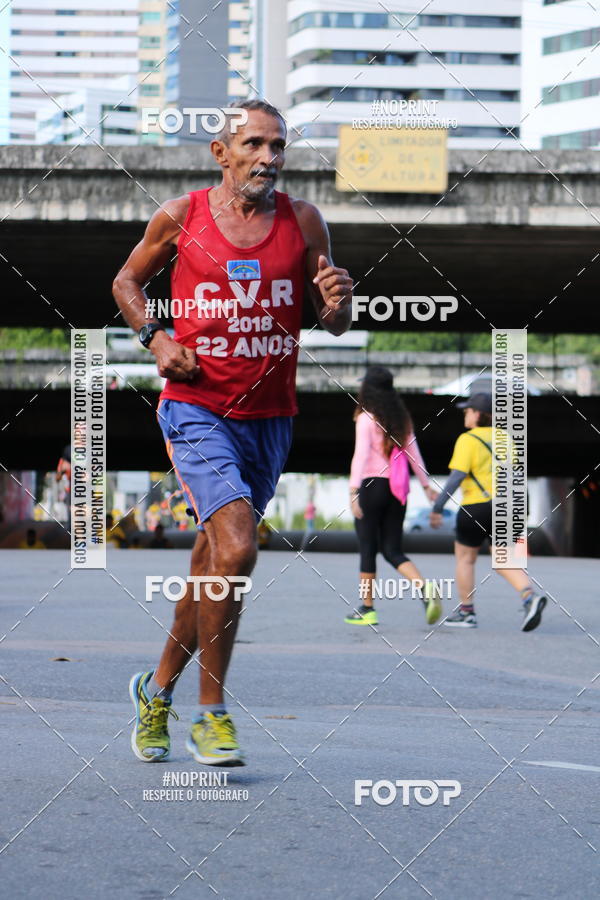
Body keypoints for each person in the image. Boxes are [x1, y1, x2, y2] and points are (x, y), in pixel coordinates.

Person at [112, 99, 353, 766]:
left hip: (270, 420)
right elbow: (127, 280)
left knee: (212, 560)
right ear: (222, 154)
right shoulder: (182, 216)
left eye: (278, 146)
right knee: (240, 547)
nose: (269, 159)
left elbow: (329, 315)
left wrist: (339, 302)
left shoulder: (304, 221)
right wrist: (155, 337)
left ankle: (154, 689)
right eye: (255, 145)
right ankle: (211, 714)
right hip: (197, 408)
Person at [430, 392, 546, 631]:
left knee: (465, 558)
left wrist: (438, 506)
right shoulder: (506, 438)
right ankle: (529, 596)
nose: (465, 414)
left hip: (478, 506)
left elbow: (457, 477)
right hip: (510, 504)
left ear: (478, 414)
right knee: (503, 558)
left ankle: (466, 612)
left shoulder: (468, 439)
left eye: (468, 410)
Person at [345, 366, 441, 627]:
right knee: (392, 549)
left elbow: (361, 455)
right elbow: (415, 454)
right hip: (397, 490)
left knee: (368, 548)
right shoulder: (402, 419)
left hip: (372, 486)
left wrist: (353, 491)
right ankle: (425, 589)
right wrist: (426, 486)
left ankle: (367, 608)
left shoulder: (366, 418)